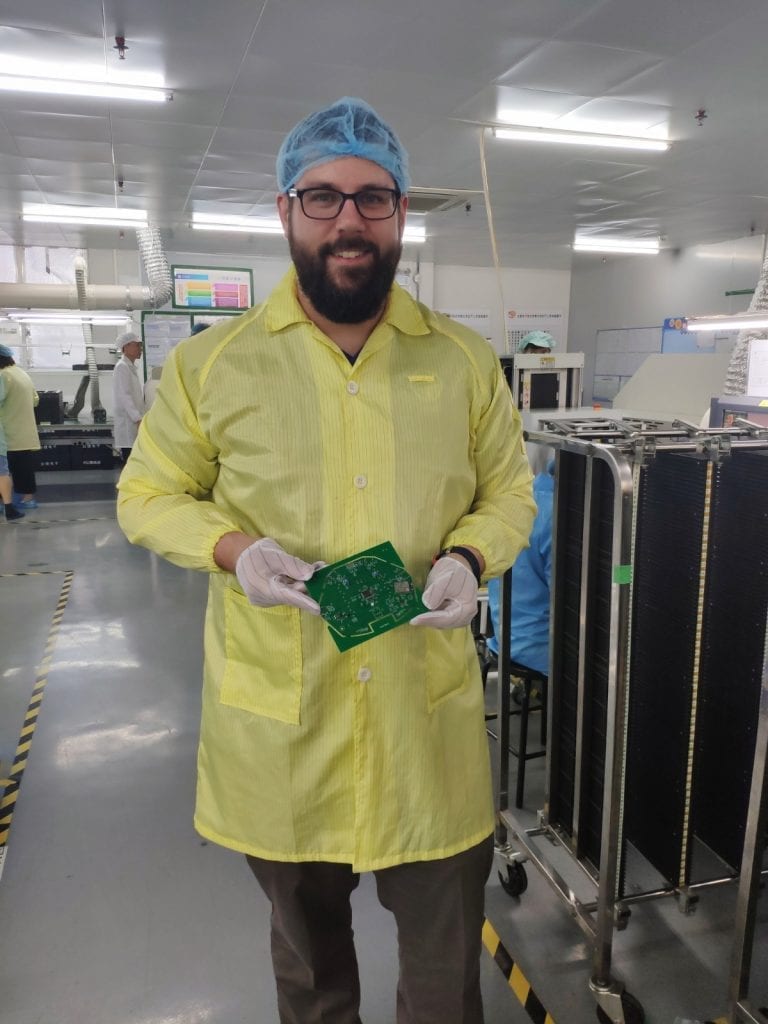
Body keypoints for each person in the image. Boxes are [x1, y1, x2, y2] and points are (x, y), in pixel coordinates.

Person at [117, 96, 535, 1024]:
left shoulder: (465, 363)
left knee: (441, 980)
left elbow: (511, 492)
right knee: (309, 972)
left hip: (423, 726)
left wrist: (470, 555)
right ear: (285, 210)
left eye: (373, 198)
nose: (349, 219)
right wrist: (233, 550)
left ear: (401, 212)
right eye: (323, 197)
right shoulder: (212, 366)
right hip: (283, 727)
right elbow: (145, 495)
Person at [486, 462, 554, 677]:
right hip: (540, 649)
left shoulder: (524, 498)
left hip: (504, 635)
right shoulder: (562, 514)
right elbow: (571, 605)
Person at [0, 344, 40, 511]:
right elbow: (35, 400)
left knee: (6, 471)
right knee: (23, 468)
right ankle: (28, 499)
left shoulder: (3, 376)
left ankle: (9, 501)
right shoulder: (21, 373)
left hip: (9, 432)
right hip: (25, 432)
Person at [111, 329, 145, 461]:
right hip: (128, 422)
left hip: (133, 421)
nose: (139, 349)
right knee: (130, 460)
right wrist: (137, 418)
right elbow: (125, 396)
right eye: (137, 345)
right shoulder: (122, 367)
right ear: (126, 347)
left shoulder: (129, 367)